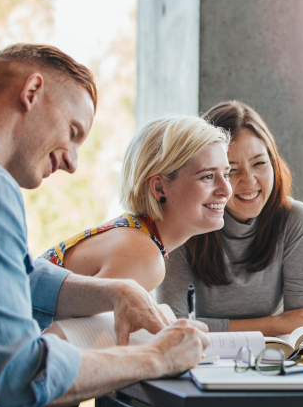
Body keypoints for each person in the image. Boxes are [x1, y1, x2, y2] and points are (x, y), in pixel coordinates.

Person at [0, 44, 211, 407]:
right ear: (32, 92)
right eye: (73, 132)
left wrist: (115, 291)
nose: (73, 162)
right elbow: (19, 374)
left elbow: (9, 277)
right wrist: (156, 356)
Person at [156, 100, 303, 407]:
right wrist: (276, 324)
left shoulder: (295, 220)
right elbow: (172, 328)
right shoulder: (186, 221)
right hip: (196, 372)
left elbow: (302, 331)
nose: (248, 181)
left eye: (259, 163)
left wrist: (281, 329)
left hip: (267, 371)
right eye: (231, 169)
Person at [39, 115, 232, 293]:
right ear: (159, 188)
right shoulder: (143, 257)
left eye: (226, 175)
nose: (227, 190)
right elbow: (59, 330)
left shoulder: (135, 235)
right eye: (207, 176)